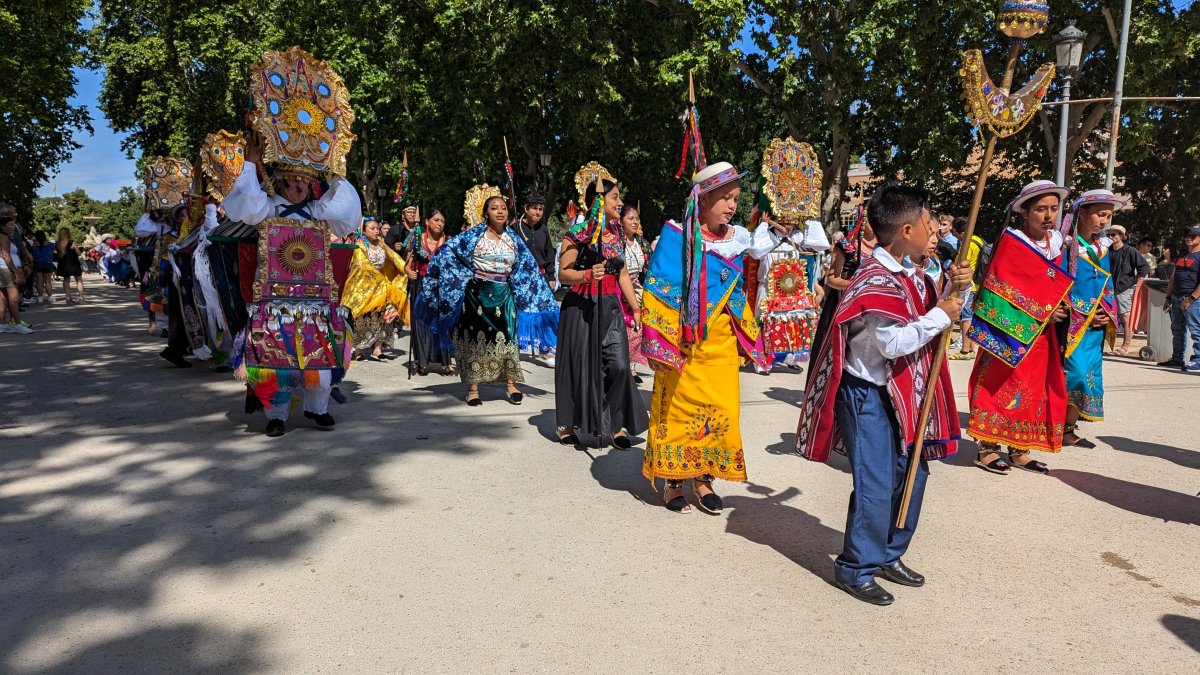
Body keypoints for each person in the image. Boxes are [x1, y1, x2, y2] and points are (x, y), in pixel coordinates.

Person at [796, 182, 968, 606]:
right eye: (930, 224)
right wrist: (940, 317)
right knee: (875, 481)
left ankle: (889, 552)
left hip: (905, 392)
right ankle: (856, 567)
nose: (935, 231)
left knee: (912, 473)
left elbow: (931, 308)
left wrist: (952, 290)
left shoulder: (912, 273)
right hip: (868, 394)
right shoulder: (874, 279)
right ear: (906, 230)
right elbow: (892, 343)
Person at [222, 46, 362, 437]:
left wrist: (334, 170)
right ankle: (277, 416)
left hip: (316, 298)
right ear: (281, 180)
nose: (299, 186)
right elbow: (240, 208)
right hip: (274, 298)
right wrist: (250, 162)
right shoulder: (267, 208)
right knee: (275, 355)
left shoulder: (319, 211)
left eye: (305, 181)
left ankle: (317, 409)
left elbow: (348, 213)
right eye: (292, 181)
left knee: (319, 353)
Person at [641, 161, 769, 513]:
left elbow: (736, 291)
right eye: (724, 198)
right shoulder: (676, 238)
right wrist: (659, 340)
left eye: (735, 198)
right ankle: (672, 480)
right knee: (679, 410)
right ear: (702, 199)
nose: (731, 205)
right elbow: (656, 290)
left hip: (722, 344)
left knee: (718, 412)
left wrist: (748, 336)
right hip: (685, 344)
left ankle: (703, 478)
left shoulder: (738, 238)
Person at [966, 180, 1074, 474]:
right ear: (1025, 212)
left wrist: (1061, 308)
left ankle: (1019, 448)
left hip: (1042, 335)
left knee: (1031, 388)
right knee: (1000, 383)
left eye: (1054, 208)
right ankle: (987, 446)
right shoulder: (1012, 242)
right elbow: (1000, 288)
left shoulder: (1058, 244)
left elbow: (1057, 286)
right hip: (1010, 332)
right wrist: (1042, 312)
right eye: (1041, 209)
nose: (1048, 215)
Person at [413, 188, 558, 406]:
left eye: (503, 208)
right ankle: (473, 389)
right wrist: (451, 277)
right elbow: (447, 252)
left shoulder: (514, 239)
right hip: (477, 295)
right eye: (494, 208)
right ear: (486, 213)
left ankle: (511, 384)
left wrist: (537, 293)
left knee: (508, 340)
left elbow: (527, 268)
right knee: (474, 340)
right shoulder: (473, 236)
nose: (500, 212)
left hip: (504, 294)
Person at [554, 165, 648, 448]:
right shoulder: (579, 234)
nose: (620, 203)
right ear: (599, 201)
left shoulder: (617, 233)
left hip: (609, 305)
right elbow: (563, 273)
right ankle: (569, 424)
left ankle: (616, 424)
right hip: (581, 307)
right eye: (615, 197)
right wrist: (586, 274)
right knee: (581, 367)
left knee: (619, 365)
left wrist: (635, 308)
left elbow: (620, 274)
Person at [746, 138, 829, 372]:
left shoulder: (798, 236)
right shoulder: (766, 235)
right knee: (765, 321)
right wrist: (768, 227)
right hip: (769, 288)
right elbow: (755, 250)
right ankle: (763, 362)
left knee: (793, 320)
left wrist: (809, 216)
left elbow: (822, 244)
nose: (787, 223)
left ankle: (789, 358)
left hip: (792, 290)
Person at [1061, 190, 1124, 449]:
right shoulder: (1065, 245)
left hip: (1095, 325)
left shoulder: (1103, 247)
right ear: (1083, 214)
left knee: (1089, 377)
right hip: (1072, 323)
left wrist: (1106, 313)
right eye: (1100, 214)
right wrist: (1083, 312)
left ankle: (1068, 429)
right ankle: (1053, 425)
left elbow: (1107, 287)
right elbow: (1061, 285)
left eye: (1108, 216)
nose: (1104, 221)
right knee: (1072, 374)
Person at [808, 211, 875, 388]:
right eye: (871, 219)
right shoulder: (847, 246)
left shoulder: (885, 247)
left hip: (873, 308)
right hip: (847, 304)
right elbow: (831, 278)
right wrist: (855, 284)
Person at [341, 218, 408, 361]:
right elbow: (362, 266)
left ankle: (377, 348)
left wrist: (406, 270)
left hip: (381, 287)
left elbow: (396, 259)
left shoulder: (382, 244)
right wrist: (378, 281)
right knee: (363, 319)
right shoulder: (360, 246)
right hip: (363, 288)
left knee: (386, 316)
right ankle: (359, 350)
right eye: (372, 228)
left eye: (377, 228)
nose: (376, 231)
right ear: (364, 231)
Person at [404, 209, 452, 375]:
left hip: (441, 287)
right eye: (436, 220)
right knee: (421, 323)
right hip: (422, 284)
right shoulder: (417, 238)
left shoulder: (448, 241)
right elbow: (407, 265)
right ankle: (422, 361)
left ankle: (445, 361)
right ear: (427, 221)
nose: (439, 224)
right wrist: (410, 272)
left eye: (442, 221)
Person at [513, 190, 557, 367]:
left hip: (540, 277)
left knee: (547, 311)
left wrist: (551, 275)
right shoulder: (516, 228)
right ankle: (514, 346)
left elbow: (549, 254)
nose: (537, 212)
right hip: (520, 278)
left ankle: (545, 350)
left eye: (540, 209)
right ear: (526, 208)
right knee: (520, 313)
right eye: (534, 208)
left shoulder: (543, 230)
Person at [1159, 225, 1200, 371]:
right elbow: (1173, 277)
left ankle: (1198, 359)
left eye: (1193, 236)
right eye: (1187, 235)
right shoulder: (1182, 255)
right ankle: (1177, 358)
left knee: (1196, 330)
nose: (1188, 238)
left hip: (1192, 299)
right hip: (1176, 297)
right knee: (1177, 329)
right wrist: (1168, 297)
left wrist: (1191, 298)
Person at [1105, 223, 1147, 356]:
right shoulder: (1107, 250)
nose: (1111, 236)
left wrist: (1131, 281)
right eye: (1109, 234)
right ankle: (1106, 345)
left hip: (1123, 289)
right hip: (1107, 288)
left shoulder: (1130, 250)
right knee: (1106, 316)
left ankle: (1125, 347)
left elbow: (1144, 267)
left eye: (1114, 234)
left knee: (1125, 316)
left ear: (1122, 236)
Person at [619, 204, 649, 381]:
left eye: (637, 218)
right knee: (625, 328)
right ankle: (622, 366)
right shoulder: (616, 241)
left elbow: (649, 267)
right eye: (631, 218)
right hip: (620, 287)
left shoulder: (641, 243)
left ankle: (631, 366)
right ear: (621, 221)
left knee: (639, 328)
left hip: (637, 286)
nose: (635, 222)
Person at [949, 216, 985, 360]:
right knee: (971, 317)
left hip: (969, 286)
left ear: (961, 232)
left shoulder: (968, 243)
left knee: (966, 317)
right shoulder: (979, 241)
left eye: (955, 233)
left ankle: (965, 350)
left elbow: (963, 263)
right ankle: (970, 347)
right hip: (978, 284)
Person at [0, 213, 32, 334]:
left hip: (4, 269)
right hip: (6, 270)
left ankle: (2, 323)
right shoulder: (3, 237)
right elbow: (6, 255)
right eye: (11, 225)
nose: (14, 227)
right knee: (14, 297)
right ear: (3, 226)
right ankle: (17, 324)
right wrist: (15, 271)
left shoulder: (7, 237)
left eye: (14, 225)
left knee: (3, 298)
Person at [54, 228, 85, 304]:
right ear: (68, 233)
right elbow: (78, 253)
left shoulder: (57, 244)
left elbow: (56, 254)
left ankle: (68, 297)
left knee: (66, 280)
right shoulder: (72, 242)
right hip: (73, 263)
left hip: (63, 264)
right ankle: (81, 298)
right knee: (79, 281)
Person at [31, 231, 56, 304]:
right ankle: (50, 297)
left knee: (39, 281)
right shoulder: (50, 244)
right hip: (47, 263)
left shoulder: (34, 246)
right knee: (48, 281)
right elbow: (52, 251)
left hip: (38, 263)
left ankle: (40, 297)